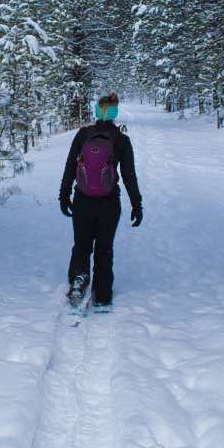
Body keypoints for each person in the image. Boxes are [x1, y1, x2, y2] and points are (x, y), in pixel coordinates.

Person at [58, 92, 142, 309]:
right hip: (109, 203)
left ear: (97, 111)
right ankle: (103, 292)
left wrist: (64, 194)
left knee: (82, 244)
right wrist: (136, 204)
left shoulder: (83, 134)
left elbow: (70, 166)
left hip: (82, 201)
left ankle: (78, 281)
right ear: (114, 113)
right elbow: (129, 175)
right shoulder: (121, 140)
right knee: (104, 248)